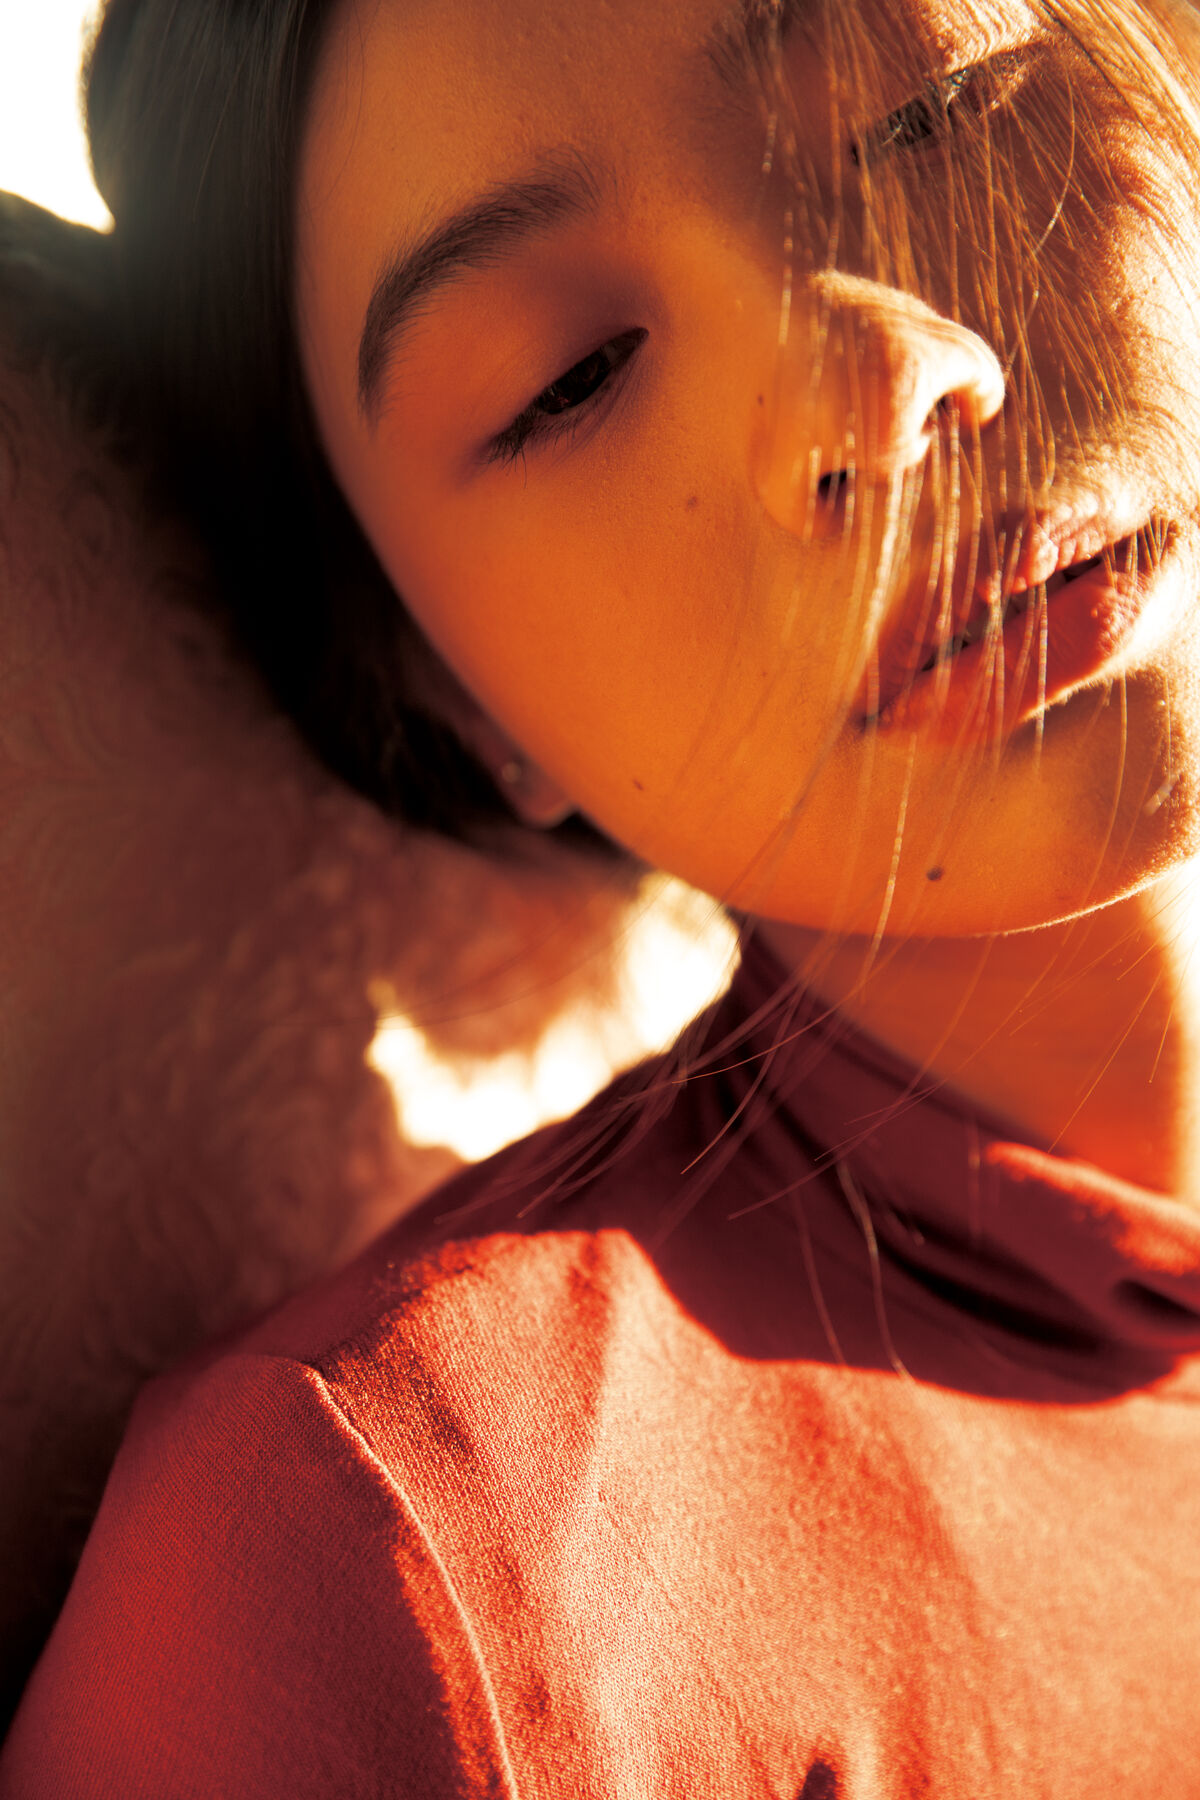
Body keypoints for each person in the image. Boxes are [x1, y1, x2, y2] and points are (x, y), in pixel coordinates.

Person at [4, 0, 1200, 1790]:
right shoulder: (399, 1560)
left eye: (928, 112)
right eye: (571, 379)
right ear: (448, 694)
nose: (878, 390)